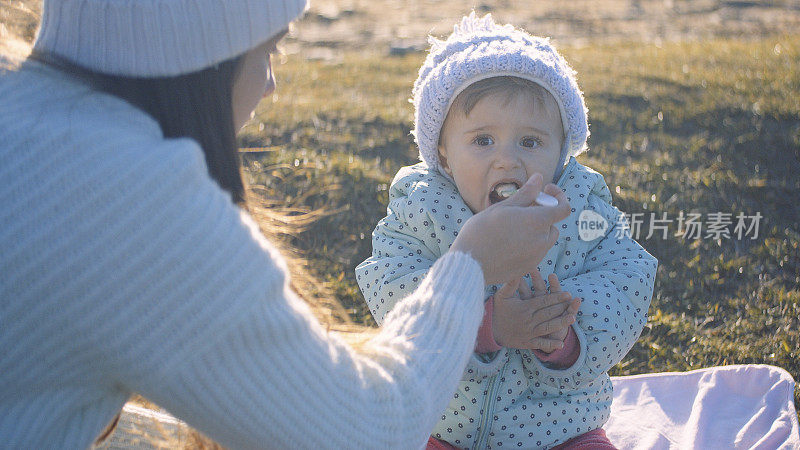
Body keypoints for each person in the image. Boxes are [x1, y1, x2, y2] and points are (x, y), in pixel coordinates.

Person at [0, 1, 576, 448]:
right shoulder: (128, 195)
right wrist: (470, 265)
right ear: (203, 58)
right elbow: (369, 431)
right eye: (267, 51)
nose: (271, 83)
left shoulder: (21, 108)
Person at [356, 13, 658, 449]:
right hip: (445, 428)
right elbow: (392, 286)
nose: (508, 161)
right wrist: (482, 323)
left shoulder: (582, 207)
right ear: (442, 153)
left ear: (562, 152)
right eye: (483, 141)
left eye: (530, 142)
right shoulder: (421, 210)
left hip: (563, 426)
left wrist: (560, 331)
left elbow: (626, 279)